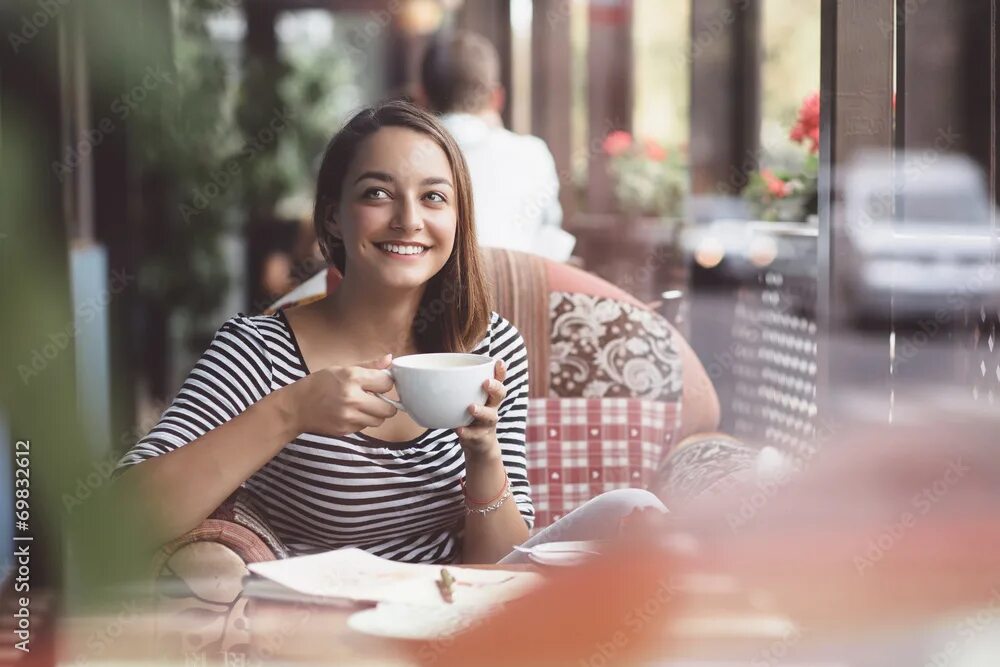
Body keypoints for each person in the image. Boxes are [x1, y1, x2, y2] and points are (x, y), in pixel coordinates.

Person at [115, 101, 660, 564]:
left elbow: (501, 569)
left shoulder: (490, 347)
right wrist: (292, 410)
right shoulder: (259, 351)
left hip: (457, 624)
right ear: (332, 218)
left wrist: (484, 456)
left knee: (636, 512)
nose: (408, 220)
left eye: (433, 197)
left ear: (458, 218)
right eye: (378, 194)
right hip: (323, 634)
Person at [418, 31, 574, 261]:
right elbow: (549, 240)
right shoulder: (533, 154)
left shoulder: (406, 155)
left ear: (420, 98)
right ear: (497, 98)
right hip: (516, 291)